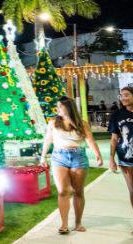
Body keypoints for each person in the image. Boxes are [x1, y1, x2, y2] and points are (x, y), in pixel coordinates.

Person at [40, 96, 103, 234]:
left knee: (78, 191)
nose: (58, 109)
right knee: (63, 191)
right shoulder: (53, 122)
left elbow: (90, 141)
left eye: (60, 106)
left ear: (68, 108)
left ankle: (78, 222)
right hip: (59, 157)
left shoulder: (82, 123)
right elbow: (48, 140)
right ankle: (64, 224)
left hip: (78, 157)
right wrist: (42, 156)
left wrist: (98, 155)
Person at [109, 86, 133, 235]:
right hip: (126, 159)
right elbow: (114, 138)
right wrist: (111, 159)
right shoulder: (117, 115)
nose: (123, 98)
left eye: (127, 95)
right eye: (121, 95)